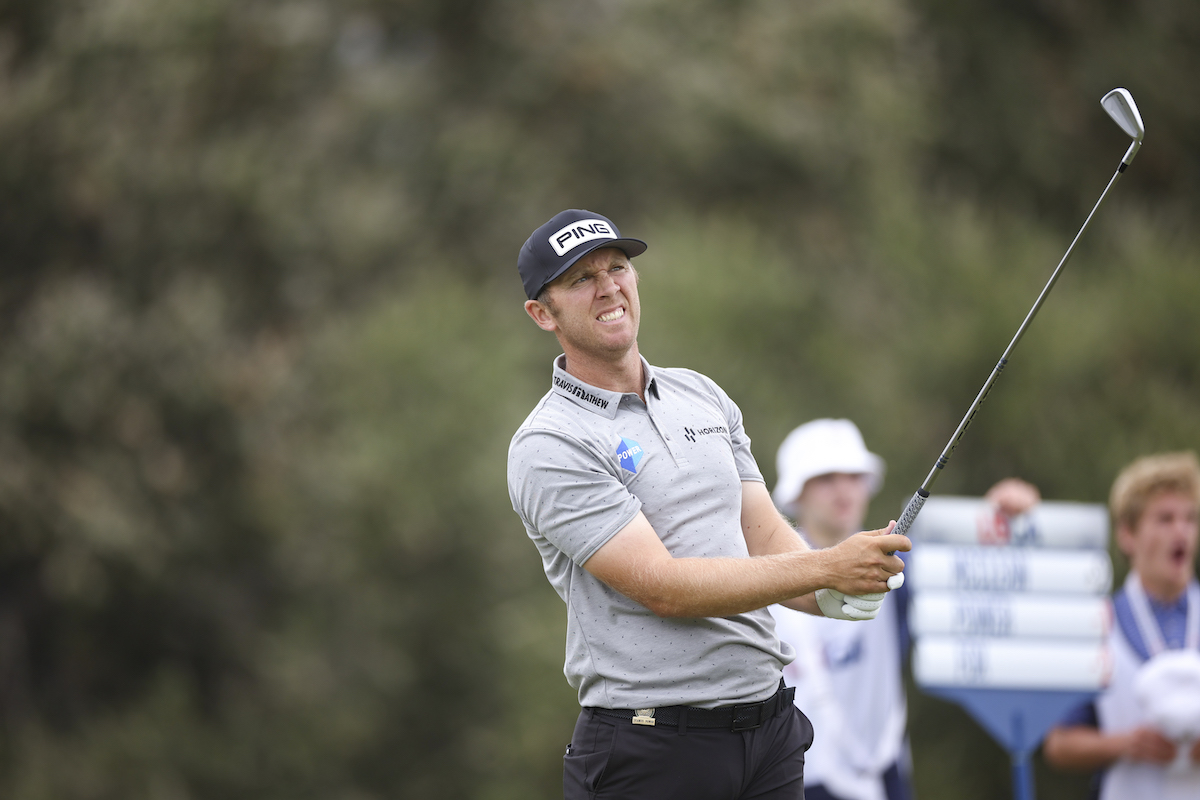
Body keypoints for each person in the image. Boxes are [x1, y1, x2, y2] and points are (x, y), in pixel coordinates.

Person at [506, 209, 911, 800]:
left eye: (617, 268)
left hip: (769, 732)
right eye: (580, 279)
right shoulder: (550, 442)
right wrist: (827, 565)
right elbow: (665, 588)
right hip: (652, 746)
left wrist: (841, 588)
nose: (608, 287)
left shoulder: (701, 394)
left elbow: (766, 541)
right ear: (543, 314)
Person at [767, 419, 1039, 800]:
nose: (844, 489)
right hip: (795, 781)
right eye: (826, 478)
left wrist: (999, 515)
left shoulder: (896, 563)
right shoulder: (766, 574)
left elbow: (965, 571)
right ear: (796, 493)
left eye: (853, 476)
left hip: (885, 776)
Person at [1043, 451, 1200, 800]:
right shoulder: (1097, 624)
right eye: (1165, 519)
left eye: (1190, 519)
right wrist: (1126, 744)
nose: (1182, 531)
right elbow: (1059, 744)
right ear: (1128, 535)